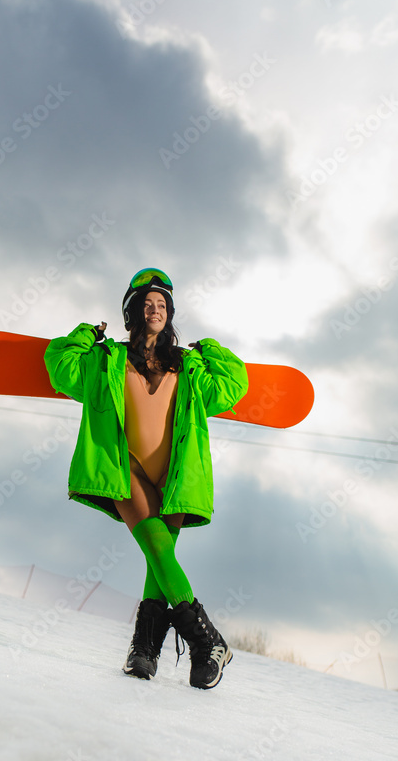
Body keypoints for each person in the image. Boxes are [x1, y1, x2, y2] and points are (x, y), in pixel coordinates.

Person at [44, 268, 249, 690]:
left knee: (160, 560)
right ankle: (207, 641)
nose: (155, 310)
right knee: (157, 547)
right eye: (147, 304)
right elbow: (61, 368)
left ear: (169, 314)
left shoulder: (188, 366)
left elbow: (232, 386)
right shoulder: (107, 360)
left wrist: (209, 348)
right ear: (132, 312)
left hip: (175, 473)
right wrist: (87, 334)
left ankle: (144, 650)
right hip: (125, 467)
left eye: (162, 305)